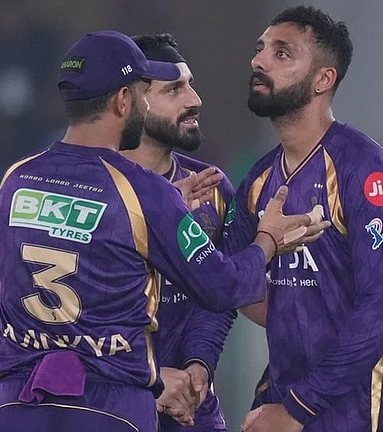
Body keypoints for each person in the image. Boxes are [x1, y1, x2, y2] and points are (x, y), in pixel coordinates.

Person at [0, 30, 329, 432]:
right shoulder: (145, 194)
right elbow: (226, 286)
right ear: (124, 100)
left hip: (15, 406)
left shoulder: (15, 180)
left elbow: (76, 260)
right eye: (148, 94)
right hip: (110, 406)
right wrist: (268, 239)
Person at [224, 6, 383, 432]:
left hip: (370, 414)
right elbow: (230, 283)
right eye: (260, 49)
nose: (259, 61)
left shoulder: (366, 171)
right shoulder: (258, 180)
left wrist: (299, 407)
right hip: (288, 405)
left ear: (323, 79)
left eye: (282, 54)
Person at [122, 33, 234, 431]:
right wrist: (149, 378)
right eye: (175, 89)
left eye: (191, 85)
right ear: (132, 100)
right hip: (110, 406)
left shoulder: (214, 190)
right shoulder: (91, 188)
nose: (195, 100)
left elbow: (218, 298)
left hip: (191, 409)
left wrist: (199, 365)